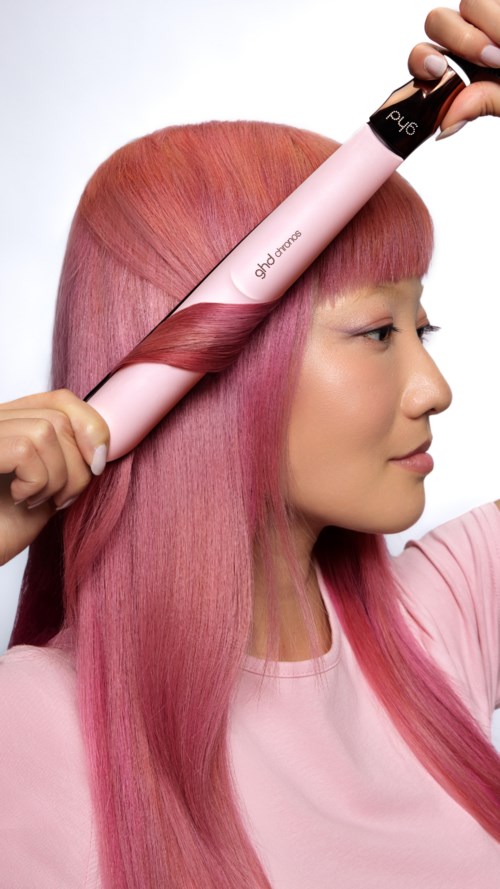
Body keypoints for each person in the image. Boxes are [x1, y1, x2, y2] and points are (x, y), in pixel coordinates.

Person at [1, 4, 500, 888]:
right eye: (378, 333)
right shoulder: (38, 730)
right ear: (217, 366)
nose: (435, 388)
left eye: (422, 329)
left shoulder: (446, 616)